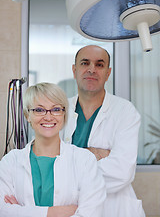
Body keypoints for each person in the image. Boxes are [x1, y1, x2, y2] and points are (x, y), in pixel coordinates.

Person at [60, 45, 146, 217]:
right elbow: (45, 160)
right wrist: (97, 154)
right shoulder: (59, 110)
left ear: (108, 73)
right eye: (85, 63)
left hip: (114, 209)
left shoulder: (125, 111)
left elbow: (121, 172)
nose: (92, 69)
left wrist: (68, 164)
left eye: (99, 65)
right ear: (74, 70)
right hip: (69, 208)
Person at [0, 82, 106, 217]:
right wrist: (56, 212)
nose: (48, 116)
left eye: (56, 109)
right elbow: (2, 210)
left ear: (63, 115)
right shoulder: (10, 161)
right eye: (39, 110)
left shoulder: (84, 160)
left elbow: (92, 213)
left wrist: (20, 212)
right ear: (28, 116)